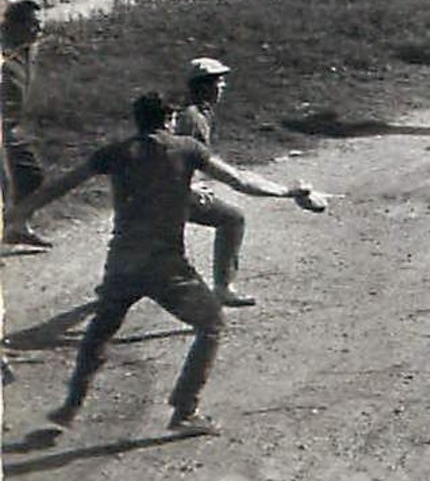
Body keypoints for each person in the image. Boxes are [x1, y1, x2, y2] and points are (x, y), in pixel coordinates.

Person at [13, 91, 328, 437]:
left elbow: (61, 186)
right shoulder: (187, 149)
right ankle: (184, 411)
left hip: (121, 261)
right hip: (165, 265)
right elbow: (240, 181)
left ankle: (70, 407)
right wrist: (288, 192)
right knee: (212, 325)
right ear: (169, 119)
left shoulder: (115, 153)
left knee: (100, 332)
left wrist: (16, 214)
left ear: (138, 120)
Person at [173, 58, 254, 308]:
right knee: (232, 218)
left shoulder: (199, 112)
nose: (222, 87)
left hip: (164, 190)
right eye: (217, 82)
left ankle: (119, 286)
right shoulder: (191, 118)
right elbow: (174, 156)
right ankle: (223, 287)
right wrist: (187, 187)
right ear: (203, 86)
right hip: (173, 191)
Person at [2, 0, 51, 247]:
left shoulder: (29, 47)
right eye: (33, 25)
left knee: (32, 176)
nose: (39, 30)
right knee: (4, 183)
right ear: (14, 25)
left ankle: (17, 227)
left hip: (10, 126)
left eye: (40, 24)